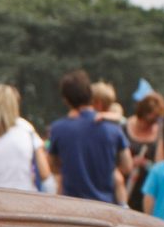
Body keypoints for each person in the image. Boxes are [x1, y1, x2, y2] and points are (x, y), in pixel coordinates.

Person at [47, 70, 127, 204]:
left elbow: (52, 166)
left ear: (66, 99)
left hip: (72, 207)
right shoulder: (112, 127)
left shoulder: (57, 129)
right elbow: (127, 165)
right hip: (106, 208)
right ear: (90, 95)